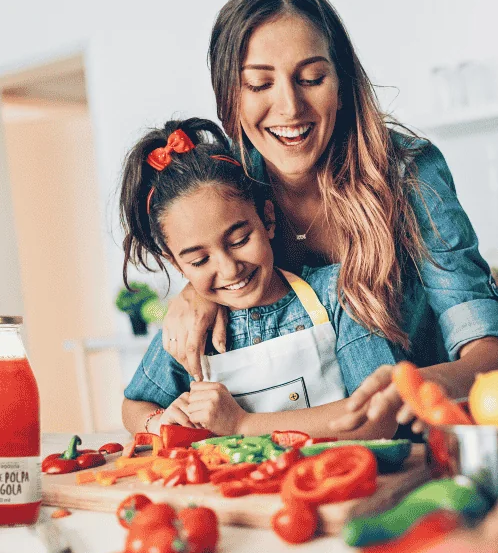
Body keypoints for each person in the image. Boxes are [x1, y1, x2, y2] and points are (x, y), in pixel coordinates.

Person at [161, 0, 498, 434]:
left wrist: (410, 382)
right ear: (228, 95)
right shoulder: (231, 186)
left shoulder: (409, 172)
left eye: (311, 78)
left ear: (342, 82)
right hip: (291, 457)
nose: (290, 107)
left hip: (424, 441)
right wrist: (196, 289)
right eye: (259, 84)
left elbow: (489, 350)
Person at [119, 117, 402, 439]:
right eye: (199, 260)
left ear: (267, 219)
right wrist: (159, 421)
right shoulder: (192, 331)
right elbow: (134, 404)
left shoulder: (339, 294)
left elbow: (378, 416)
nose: (229, 269)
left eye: (239, 241)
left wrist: (241, 425)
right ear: (178, 265)